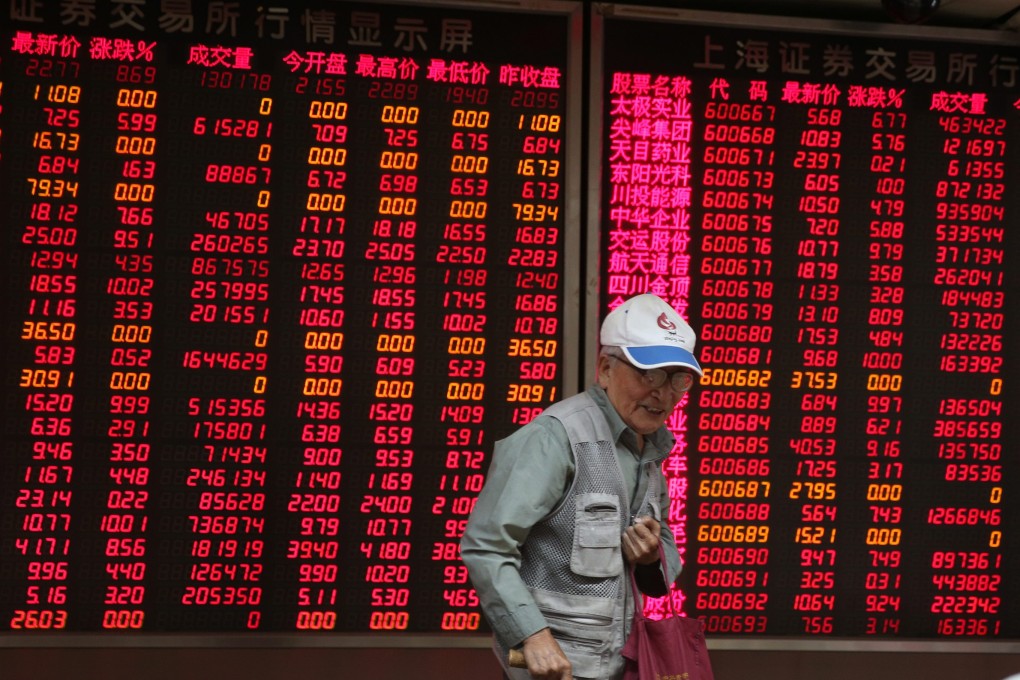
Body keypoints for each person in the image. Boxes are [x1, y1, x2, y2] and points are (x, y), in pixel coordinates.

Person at [461, 293, 703, 680]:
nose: (663, 393)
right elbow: (486, 546)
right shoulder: (555, 437)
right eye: (649, 374)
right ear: (605, 368)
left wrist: (649, 559)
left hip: (623, 667)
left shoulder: (652, 447)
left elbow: (663, 562)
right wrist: (532, 636)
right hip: (555, 671)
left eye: (679, 379)